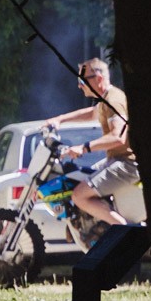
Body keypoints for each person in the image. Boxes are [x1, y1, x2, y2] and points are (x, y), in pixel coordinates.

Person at [44, 57, 137, 227]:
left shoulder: (114, 99)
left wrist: (84, 148)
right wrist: (60, 119)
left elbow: (118, 136)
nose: (79, 85)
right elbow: (91, 113)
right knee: (78, 178)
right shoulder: (105, 99)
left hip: (128, 164)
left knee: (79, 195)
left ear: (99, 78)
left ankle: (127, 233)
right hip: (115, 161)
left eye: (82, 81)